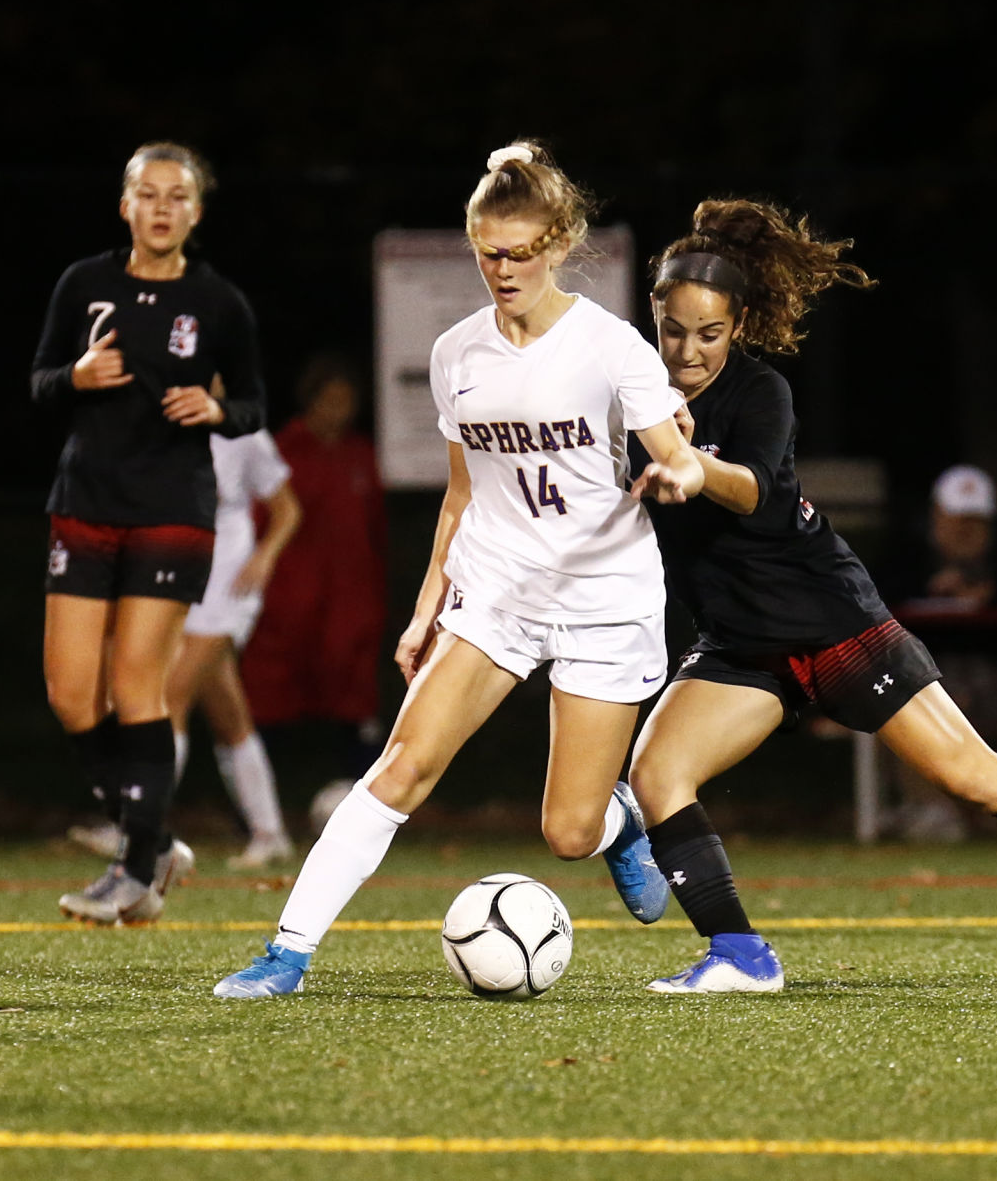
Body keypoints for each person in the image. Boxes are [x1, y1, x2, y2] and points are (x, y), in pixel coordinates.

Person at [624, 199, 997, 993]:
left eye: (709, 333)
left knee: (973, 777)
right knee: (658, 775)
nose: (687, 351)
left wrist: (694, 470)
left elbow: (752, 490)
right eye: (672, 331)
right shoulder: (629, 398)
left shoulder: (760, 395)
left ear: (741, 324)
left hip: (831, 624)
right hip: (737, 641)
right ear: (651, 319)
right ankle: (739, 954)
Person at [212, 141, 706, 998]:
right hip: (500, 591)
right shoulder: (456, 355)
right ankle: (285, 955)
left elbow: (677, 453)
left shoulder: (609, 345)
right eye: (487, 252)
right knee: (399, 767)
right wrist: (423, 610)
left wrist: (680, 473)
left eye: (519, 252)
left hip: (605, 600)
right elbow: (459, 495)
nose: (502, 269)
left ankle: (621, 825)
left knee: (566, 829)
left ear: (557, 242)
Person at [31, 141, 265, 924]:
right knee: (70, 694)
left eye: (177, 196)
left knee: (137, 686)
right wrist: (75, 378)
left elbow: (253, 406)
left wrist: (215, 410)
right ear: (124, 204)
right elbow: (38, 383)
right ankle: (153, 838)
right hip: (86, 501)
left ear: (196, 212)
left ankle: (135, 870)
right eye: (147, 193)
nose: (161, 208)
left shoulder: (219, 303)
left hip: (172, 507)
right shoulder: (83, 285)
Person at [240, 353, 389, 825]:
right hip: (287, 606)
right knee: (267, 704)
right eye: (329, 400)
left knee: (355, 703)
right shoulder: (282, 451)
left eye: (346, 401)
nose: (338, 410)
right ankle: (259, 816)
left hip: (349, 607)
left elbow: (376, 533)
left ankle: (370, 816)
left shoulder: (361, 454)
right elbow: (257, 525)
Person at [884, 464, 997, 839]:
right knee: (902, 708)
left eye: (976, 520)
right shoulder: (905, 555)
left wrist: (995, 596)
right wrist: (929, 589)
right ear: (937, 515)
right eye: (957, 519)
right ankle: (931, 812)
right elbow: (874, 605)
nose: (966, 530)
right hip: (930, 674)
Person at [170, 422, 301, 867]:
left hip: (230, 584)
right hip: (181, 580)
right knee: (228, 713)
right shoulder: (166, 427)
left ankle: (135, 826)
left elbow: (287, 510)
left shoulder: (243, 434)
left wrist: (264, 557)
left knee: (170, 695)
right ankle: (271, 834)